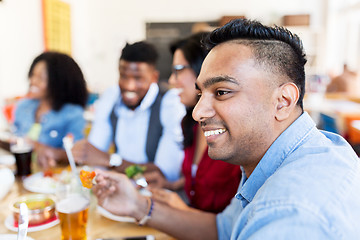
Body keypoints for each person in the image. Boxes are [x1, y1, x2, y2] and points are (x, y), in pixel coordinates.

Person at [92, 19, 360, 239]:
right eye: (200, 93)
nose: (198, 112)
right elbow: (223, 229)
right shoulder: (296, 152)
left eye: (221, 92)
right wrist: (138, 205)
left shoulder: (289, 216)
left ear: (283, 101)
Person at [145, 32, 241, 213]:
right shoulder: (190, 123)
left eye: (178, 70)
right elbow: (200, 178)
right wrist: (172, 185)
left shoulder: (236, 131)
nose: (172, 80)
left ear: (204, 67)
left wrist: (183, 211)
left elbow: (233, 222)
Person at [72, 41, 185, 182]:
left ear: (154, 77)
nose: (129, 86)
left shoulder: (169, 103)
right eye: (124, 76)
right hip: (117, 186)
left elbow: (166, 173)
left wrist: (110, 160)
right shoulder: (111, 97)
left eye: (138, 78)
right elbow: (94, 154)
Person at [13, 51, 88, 169]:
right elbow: (14, 139)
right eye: (33, 75)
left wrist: (52, 152)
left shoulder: (73, 114)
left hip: (52, 176)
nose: (33, 81)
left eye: (40, 78)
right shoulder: (23, 106)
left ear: (58, 82)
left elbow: (79, 153)